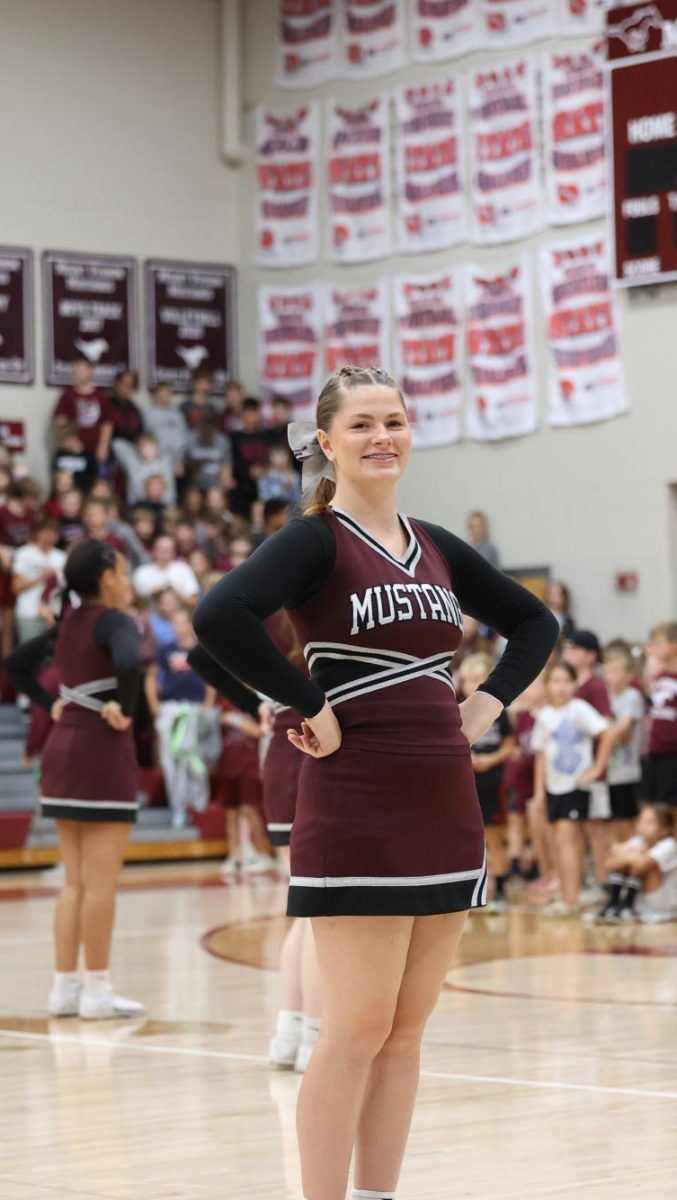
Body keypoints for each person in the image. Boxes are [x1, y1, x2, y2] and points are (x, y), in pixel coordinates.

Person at [192, 364, 557, 1200]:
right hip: (355, 794)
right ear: (327, 443)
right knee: (354, 1026)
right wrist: (304, 700)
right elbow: (218, 618)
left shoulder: (434, 543)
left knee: (404, 1030)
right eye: (360, 425)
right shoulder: (314, 538)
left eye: (392, 420)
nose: (381, 436)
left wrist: (490, 699)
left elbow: (536, 620)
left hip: (443, 797)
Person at [3, 539, 145, 1018]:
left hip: (62, 754)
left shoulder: (65, 626)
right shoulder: (116, 621)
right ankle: (98, 992)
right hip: (101, 754)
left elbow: (15, 666)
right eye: (124, 574)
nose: (128, 583)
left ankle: (64, 988)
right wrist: (124, 710)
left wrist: (53, 705)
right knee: (100, 884)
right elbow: (128, 663)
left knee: (74, 882)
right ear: (107, 578)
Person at [532, 661, 615, 916]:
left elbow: (607, 733)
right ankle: (566, 896)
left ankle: (571, 900)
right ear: (548, 685)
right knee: (558, 842)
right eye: (556, 681)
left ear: (574, 684)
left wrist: (596, 769)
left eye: (566, 681)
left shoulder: (579, 709)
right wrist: (538, 793)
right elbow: (541, 756)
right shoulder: (545, 715)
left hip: (576, 786)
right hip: (553, 788)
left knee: (568, 840)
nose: (561, 687)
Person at [144, 608, 218, 829]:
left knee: (195, 759)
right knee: (171, 760)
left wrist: (209, 703)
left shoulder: (202, 649)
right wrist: (154, 705)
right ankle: (178, 808)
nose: (179, 627)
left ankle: (199, 805)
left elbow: (211, 678)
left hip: (195, 709)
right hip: (172, 709)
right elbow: (150, 677)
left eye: (182, 622)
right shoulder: (166, 650)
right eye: (174, 623)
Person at [460, 652, 514, 912]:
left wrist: (490, 760)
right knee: (470, 837)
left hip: (492, 779)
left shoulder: (498, 711)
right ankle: (474, 889)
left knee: (493, 835)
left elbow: (509, 745)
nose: (472, 686)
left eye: (477, 680)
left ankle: (501, 889)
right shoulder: (457, 710)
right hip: (466, 781)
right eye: (468, 680)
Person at [596, 803, 677, 924]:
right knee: (624, 863)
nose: (642, 825)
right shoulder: (638, 841)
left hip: (663, 904)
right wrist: (632, 855)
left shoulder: (669, 844)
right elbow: (609, 863)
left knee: (646, 866)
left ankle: (627, 904)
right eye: (641, 820)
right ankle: (616, 904)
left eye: (650, 822)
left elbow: (643, 863)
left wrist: (625, 853)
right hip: (643, 901)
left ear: (665, 829)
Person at [602, 643, 645, 839]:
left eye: (615, 672)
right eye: (607, 672)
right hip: (608, 771)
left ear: (629, 675)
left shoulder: (632, 696)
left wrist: (606, 731)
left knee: (628, 819)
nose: (610, 677)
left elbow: (623, 730)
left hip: (627, 771)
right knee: (610, 819)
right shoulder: (604, 696)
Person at [12, 519, 66, 643]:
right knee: (28, 654)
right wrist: (41, 577)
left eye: (53, 534)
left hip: (52, 615)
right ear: (38, 533)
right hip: (28, 612)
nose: (49, 537)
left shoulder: (61, 557)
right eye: (46, 533)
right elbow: (16, 587)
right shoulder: (24, 553)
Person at [53, 354, 113, 465]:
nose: (79, 373)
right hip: (74, 449)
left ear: (90, 371)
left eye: (82, 369)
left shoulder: (101, 396)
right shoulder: (67, 396)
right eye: (76, 370)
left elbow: (107, 424)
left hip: (95, 449)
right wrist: (69, 440)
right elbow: (60, 421)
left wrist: (103, 446)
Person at [644, 622, 677, 805]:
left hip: (674, 752)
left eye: (659, 643)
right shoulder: (658, 677)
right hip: (657, 751)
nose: (654, 648)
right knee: (657, 807)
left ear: (674, 645)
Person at [132, 535, 199, 605]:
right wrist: (151, 594)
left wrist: (176, 594)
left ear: (174, 551)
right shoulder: (141, 572)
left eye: (167, 549)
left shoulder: (184, 569)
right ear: (153, 550)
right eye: (161, 549)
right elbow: (134, 603)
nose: (164, 552)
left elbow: (194, 601)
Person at [144, 382, 188, 477]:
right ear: (155, 396)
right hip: (156, 460)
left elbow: (183, 437)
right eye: (161, 395)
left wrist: (179, 460)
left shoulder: (177, 414)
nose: (164, 398)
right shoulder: (149, 414)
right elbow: (146, 438)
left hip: (176, 461)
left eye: (167, 395)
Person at [51, 423, 98, 493]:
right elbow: (55, 472)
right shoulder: (60, 454)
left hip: (82, 491)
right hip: (63, 492)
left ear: (74, 437)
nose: (61, 444)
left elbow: (92, 475)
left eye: (64, 441)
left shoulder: (88, 455)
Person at [108, 370, 144, 444]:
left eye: (131, 385)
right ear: (116, 384)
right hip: (114, 445)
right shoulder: (107, 404)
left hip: (134, 445)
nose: (127, 388)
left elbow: (139, 431)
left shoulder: (135, 409)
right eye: (124, 384)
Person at [180, 366, 218, 431]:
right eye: (201, 383)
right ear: (194, 383)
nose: (204, 386)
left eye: (207, 383)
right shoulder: (185, 406)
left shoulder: (212, 408)